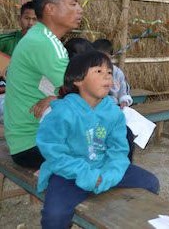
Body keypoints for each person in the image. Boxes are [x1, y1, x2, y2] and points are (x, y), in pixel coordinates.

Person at [37, 51, 159, 228]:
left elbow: (118, 150)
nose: (107, 76)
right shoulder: (62, 112)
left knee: (150, 183)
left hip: (104, 168)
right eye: (99, 71)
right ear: (78, 80)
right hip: (70, 174)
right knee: (54, 216)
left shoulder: (113, 112)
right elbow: (54, 152)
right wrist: (87, 175)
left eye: (109, 72)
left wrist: (109, 175)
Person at [4, 0, 82, 168]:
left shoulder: (39, 36)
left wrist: (57, 98)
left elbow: (73, 90)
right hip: (35, 144)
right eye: (73, 4)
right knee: (116, 136)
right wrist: (59, 99)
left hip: (27, 140)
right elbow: (88, 95)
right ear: (50, 9)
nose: (80, 10)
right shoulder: (45, 43)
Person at [92, 39, 133, 108]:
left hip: (116, 107)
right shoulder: (90, 72)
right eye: (98, 58)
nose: (101, 61)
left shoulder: (117, 73)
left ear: (111, 57)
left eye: (105, 58)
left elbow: (124, 92)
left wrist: (124, 102)